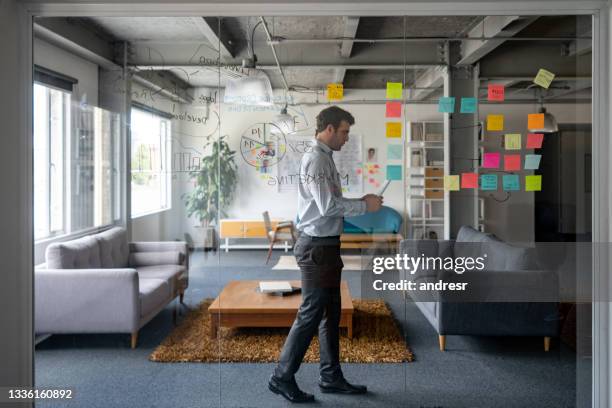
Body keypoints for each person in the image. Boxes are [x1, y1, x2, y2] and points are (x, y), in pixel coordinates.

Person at [268, 106, 383, 403]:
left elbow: (331, 202)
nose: (347, 138)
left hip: (327, 247)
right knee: (310, 314)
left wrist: (360, 202)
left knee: (331, 314)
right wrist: (364, 206)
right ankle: (281, 377)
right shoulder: (317, 160)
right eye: (344, 131)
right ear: (329, 129)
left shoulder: (325, 158)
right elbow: (327, 208)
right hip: (316, 248)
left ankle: (330, 377)